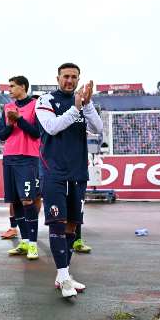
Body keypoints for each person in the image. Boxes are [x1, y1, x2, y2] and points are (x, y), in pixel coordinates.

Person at [35, 63, 102, 298]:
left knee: (72, 224)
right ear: (58, 78)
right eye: (66, 76)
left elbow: (97, 128)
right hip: (53, 172)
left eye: (74, 77)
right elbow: (52, 128)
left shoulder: (83, 103)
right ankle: (64, 277)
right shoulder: (45, 101)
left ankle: (63, 274)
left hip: (77, 172)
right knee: (57, 222)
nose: (69, 81)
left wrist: (88, 103)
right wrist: (75, 109)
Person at [0, 76, 41, 259]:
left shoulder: (36, 106)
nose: (9, 90)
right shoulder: (7, 108)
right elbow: (2, 135)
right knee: (15, 202)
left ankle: (33, 244)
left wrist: (20, 120)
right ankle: (23, 242)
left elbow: (37, 132)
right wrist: (10, 123)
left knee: (28, 201)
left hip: (28, 159)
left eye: (13, 86)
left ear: (23, 87)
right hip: (9, 158)